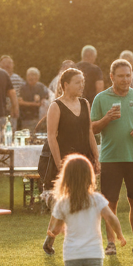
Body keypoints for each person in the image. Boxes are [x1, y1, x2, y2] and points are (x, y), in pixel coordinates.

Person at [91, 59, 133, 256]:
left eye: (128, 75)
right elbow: (92, 128)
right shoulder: (101, 98)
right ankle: (111, 243)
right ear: (112, 77)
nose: (126, 79)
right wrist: (106, 119)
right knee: (110, 202)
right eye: (121, 76)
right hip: (110, 158)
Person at [41, 68, 100, 254]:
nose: (82, 85)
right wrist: (60, 163)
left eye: (83, 81)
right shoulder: (55, 106)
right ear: (65, 85)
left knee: (82, 202)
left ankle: (54, 240)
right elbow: (52, 137)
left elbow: (90, 132)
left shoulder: (85, 103)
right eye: (77, 82)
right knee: (65, 203)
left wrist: (96, 157)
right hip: (65, 162)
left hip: (84, 160)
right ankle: (56, 239)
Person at [17, 67, 47, 134]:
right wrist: (34, 104)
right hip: (25, 118)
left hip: (38, 118)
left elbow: (43, 101)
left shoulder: (41, 87)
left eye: (33, 75)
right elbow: (20, 102)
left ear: (38, 77)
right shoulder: (23, 88)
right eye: (29, 75)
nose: (31, 77)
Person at [0, 55, 25, 129]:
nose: (7, 65)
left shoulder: (18, 79)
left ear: (13, 65)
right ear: (0, 65)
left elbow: (22, 95)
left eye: (9, 63)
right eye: (4, 63)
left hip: (13, 112)